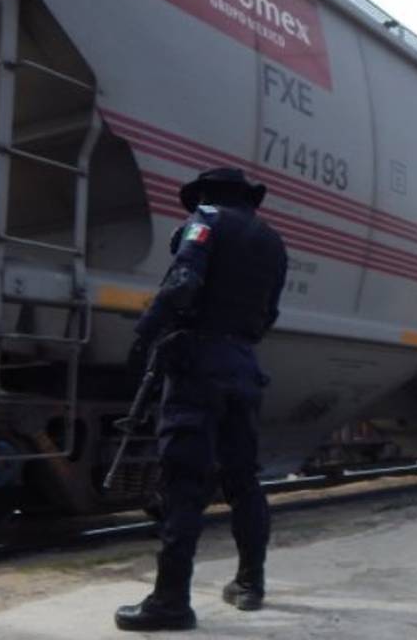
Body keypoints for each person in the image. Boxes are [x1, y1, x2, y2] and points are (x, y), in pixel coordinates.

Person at [115, 167, 288, 632]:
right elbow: (270, 312)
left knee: (183, 483)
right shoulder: (273, 241)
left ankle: (171, 601)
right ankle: (250, 584)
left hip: (197, 364)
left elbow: (182, 281)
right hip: (244, 365)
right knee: (243, 480)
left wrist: (144, 334)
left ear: (209, 195)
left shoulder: (205, 217)